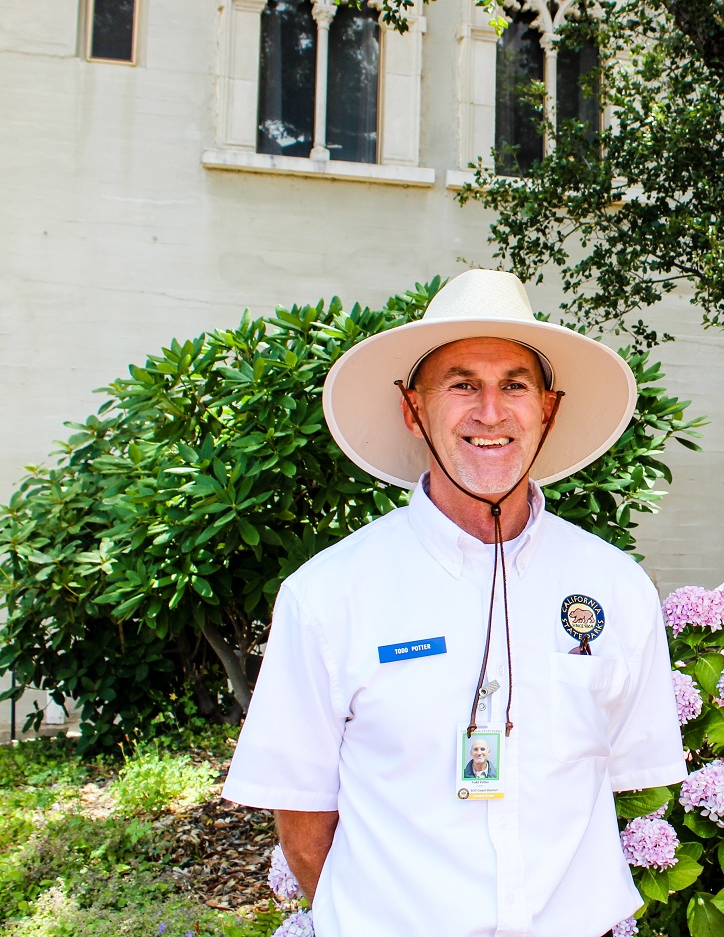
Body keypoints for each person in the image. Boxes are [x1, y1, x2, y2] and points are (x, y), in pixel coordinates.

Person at [223, 270, 687, 936]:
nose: (491, 412)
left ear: (548, 409)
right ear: (414, 408)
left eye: (515, 386)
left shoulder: (615, 587)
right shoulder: (328, 596)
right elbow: (302, 818)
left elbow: (626, 776)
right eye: (462, 384)